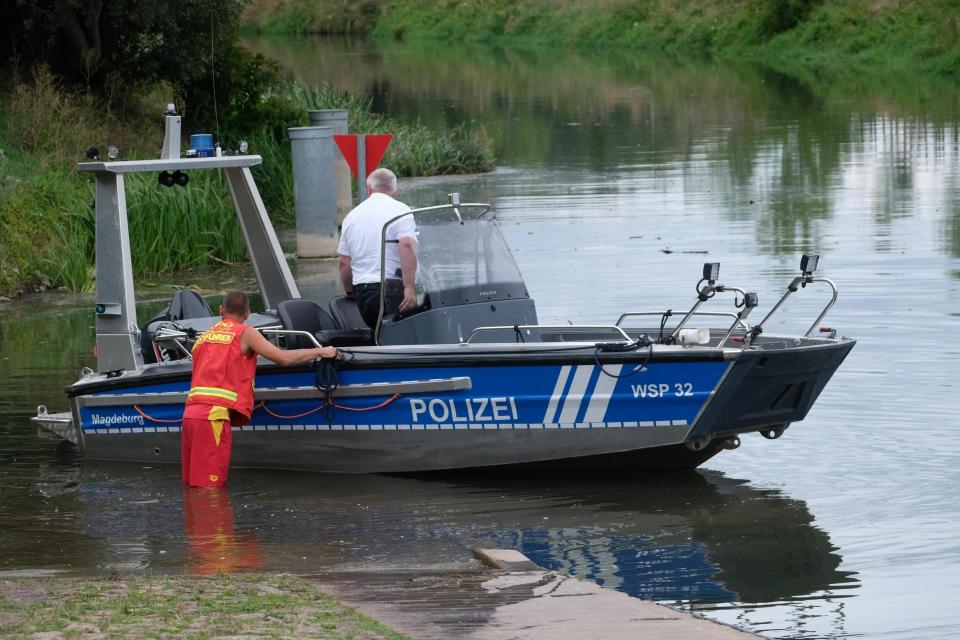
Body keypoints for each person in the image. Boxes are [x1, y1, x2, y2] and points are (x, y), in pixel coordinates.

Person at [181, 291, 337, 488]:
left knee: (192, 485)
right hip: (213, 417)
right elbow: (283, 358)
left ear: (221, 310)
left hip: (190, 415)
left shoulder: (204, 337)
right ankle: (213, 519)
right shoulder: (244, 332)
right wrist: (321, 351)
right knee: (210, 488)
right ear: (247, 313)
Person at [338, 167, 418, 328]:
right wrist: (409, 287)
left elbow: (345, 264)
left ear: (369, 188)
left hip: (363, 292)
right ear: (394, 188)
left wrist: (349, 292)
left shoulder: (351, 216)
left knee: (379, 337)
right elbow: (407, 245)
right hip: (391, 289)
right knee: (402, 338)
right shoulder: (400, 210)